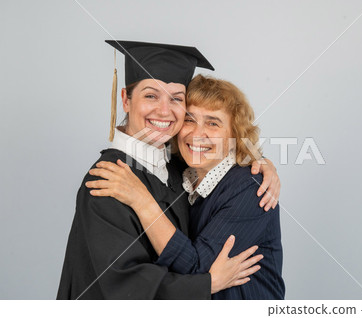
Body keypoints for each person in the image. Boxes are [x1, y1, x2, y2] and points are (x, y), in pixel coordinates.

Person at [57, 40, 281, 300]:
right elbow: (125, 286)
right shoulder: (110, 181)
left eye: (176, 98)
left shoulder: (175, 170)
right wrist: (207, 283)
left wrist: (263, 164)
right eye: (151, 95)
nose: (164, 111)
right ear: (126, 100)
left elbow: (226, 160)